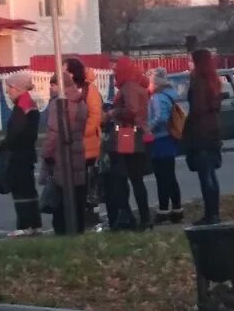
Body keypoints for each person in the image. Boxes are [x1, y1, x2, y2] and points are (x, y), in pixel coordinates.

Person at [107, 57, 153, 230]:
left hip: (128, 132)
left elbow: (131, 110)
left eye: (116, 69)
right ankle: (144, 217)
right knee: (136, 179)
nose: (114, 72)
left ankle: (129, 217)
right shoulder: (139, 84)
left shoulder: (128, 87)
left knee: (122, 176)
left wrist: (113, 112)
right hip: (139, 132)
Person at [42, 72, 88, 235]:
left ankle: (62, 232)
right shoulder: (80, 101)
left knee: (60, 196)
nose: (50, 88)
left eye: (53, 84)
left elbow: (53, 132)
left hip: (61, 153)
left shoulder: (58, 104)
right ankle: (78, 229)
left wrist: (46, 153)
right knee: (76, 194)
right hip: (77, 149)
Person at [183, 49, 223, 226]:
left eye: (191, 61)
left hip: (200, 132)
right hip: (212, 130)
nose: (189, 64)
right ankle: (214, 212)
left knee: (205, 174)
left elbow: (197, 108)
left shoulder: (198, 81)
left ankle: (211, 214)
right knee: (211, 174)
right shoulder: (213, 80)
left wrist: (186, 127)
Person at [0, 73, 41, 237]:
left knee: (21, 190)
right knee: (29, 190)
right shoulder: (29, 103)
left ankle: (25, 225)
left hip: (19, 155)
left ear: (17, 88)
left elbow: (16, 131)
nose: (8, 92)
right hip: (27, 154)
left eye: (9, 88)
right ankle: (34, 224)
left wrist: (3, 146)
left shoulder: (22, 105)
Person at [65, 58, 103, 226]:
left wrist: (81, 133)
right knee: (75, 183)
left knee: (88, 183)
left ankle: (90, 217)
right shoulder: (66, 91)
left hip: (88, 144)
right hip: (72, 144)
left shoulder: (89, 90)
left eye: (65, 70)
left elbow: (95, 116)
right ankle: (78, 216)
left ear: (73, 72)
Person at [148, 68, 183, 224]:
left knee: (162, 177)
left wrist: (148, 128)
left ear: (155, 83)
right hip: (170, 138)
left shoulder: (157, 97)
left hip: (160, 139)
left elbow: (159, 118)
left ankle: (164, 209)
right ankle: (177, 208)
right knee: (170, 176)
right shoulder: (171, 94)